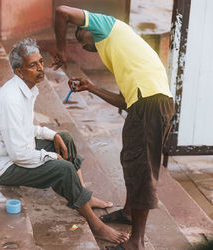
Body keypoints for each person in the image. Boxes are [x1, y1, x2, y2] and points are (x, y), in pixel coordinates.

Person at [0, 38, 129, 244]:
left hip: (14, 152)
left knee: (65, 137)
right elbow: (19, 155)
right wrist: (51, 156)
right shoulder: (11, 99)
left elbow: (25, 129)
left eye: (41, 62)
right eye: (33, 65)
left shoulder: (25, 88)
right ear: (19, 71)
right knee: (63, 168)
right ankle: (96, 225)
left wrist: (53, 136)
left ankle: (83, 195)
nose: (41, 68)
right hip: (1, 165)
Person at [51, 6, 174, 250]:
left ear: (89, 28)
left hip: (151, 104)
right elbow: (125, 102)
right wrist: (92, 88)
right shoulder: (116, 51)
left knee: (141, 170)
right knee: (131, 160)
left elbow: (62, 11)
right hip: (144, 105)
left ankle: (136, 242)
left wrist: (61, 51)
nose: (85, 47)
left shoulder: (107, 25)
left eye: (81, 39)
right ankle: (129, 213)